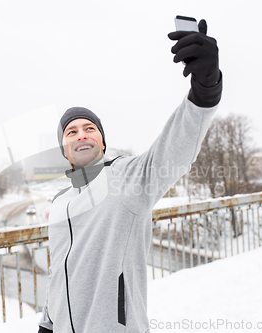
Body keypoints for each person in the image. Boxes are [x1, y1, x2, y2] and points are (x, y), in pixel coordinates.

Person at [38, 19, 222, 333]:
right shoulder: (59, 203)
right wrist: (47, 323)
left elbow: (174, 149)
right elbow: (60, 272)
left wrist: (205, 86)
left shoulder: (126, 179)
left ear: (102, 142)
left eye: (90, 128)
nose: (81, 134)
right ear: (64, 149)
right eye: (71, 131)